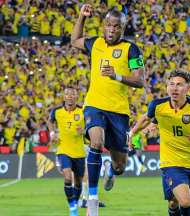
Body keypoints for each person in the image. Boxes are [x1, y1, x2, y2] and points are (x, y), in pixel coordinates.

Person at [71, 4, 145, 215]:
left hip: (119, 112)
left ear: (123, 28)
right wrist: (81, 18)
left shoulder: (131, 49)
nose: (112, 30)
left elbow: (140, 80)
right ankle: (92, 199)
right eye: (109, 26)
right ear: (104, 26)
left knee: (120, 166)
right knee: (96, 141)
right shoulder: (95, 43)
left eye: (117, 27)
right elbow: (74, 41)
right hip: (94, 105)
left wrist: (117, 76)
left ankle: (109, 169)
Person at [129, 70, 190, 216]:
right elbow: (145, 119)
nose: (174, 88)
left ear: (187, 89)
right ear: (167, 87)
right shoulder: (158, 106)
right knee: (185, 201)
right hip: (172, 164)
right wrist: (131, 133)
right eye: (171, 84)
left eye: (179, 85)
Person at [48, 86, 86, 216]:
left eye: (72, 94)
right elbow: (50, 121)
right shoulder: (57, 111)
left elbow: (91, 126)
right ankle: (72, 207)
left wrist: (85, 131)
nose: (70, 96)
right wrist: (52, 133)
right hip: (63, 150)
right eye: (67, 94)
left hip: (79, 152)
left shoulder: (83, 111)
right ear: (64, 97)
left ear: (77, 96)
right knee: (68, 178)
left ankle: (74, 203)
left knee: (79, 182)